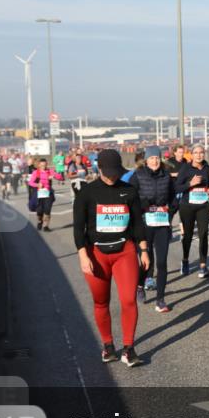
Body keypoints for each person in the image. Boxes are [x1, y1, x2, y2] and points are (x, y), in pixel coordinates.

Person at [74, 149, 150, 367]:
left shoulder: (129, 191)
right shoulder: (87, 193)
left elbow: (138, 224)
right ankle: (108, 345)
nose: (111, 177)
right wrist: (83, 255)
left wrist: (144, 250)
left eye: (115, 172)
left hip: (124, 251)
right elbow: (79, 228)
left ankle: (129, 348)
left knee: (128, 300)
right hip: (96, 253)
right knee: (101, 301)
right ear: (99, 169)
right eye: (108, 173)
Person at [131, 146, 173, 312]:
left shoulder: (166, 175)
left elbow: (173, 197)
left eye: (157, 158)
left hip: (161, 223)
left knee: (162, 262)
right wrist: (142, 205)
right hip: (144, 223)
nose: (154, 161)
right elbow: (130, 197)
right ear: (146, 160)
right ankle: (140, 285)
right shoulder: (138, 175)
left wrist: (170, 211)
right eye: (151, 158)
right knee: (145, 261)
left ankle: (160, 299)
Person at [174, 144, 209, 278]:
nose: (199, 155)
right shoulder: (185, 168)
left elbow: (208, 184)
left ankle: (203, 266)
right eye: (196, 152)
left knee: (203, 234)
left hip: (203, 205)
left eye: (201, 152)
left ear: (204, 154)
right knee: (188, 235)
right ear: (191, 155)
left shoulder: (207, 167)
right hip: (187, 206)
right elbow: (176, 188)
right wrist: (190, 184)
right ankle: (185, 260)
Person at [28, 158, 62, 231]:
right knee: (39, 211)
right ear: (39, 165)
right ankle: (40, 221)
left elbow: (60, 177)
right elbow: (30, 183)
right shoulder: (36, 172)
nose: (43, 166)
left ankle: (46, 226)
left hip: (48, 193)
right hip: (39, 194)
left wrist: (54, 176)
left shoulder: (50, 171)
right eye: (42, 165)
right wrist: (37, 185)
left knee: (47, 210)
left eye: (45, 165)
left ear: (47, 165)